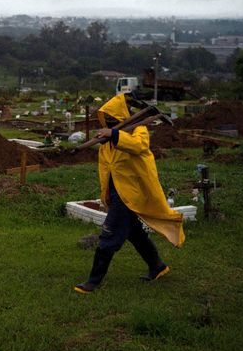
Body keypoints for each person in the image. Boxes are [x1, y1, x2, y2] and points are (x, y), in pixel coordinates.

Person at [73, 93, 185, 294]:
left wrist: (115, 135)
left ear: (120, 116)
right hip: (117, 192)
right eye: (105, 119)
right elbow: (106, 168)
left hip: (131, 193)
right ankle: (158, 266)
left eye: (111, 118)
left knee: (109, 234)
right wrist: (109, 138)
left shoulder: (138, 130)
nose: (108, 121)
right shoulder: (109, 140)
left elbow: (139, 146)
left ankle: (93, 281)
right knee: (135, 233)